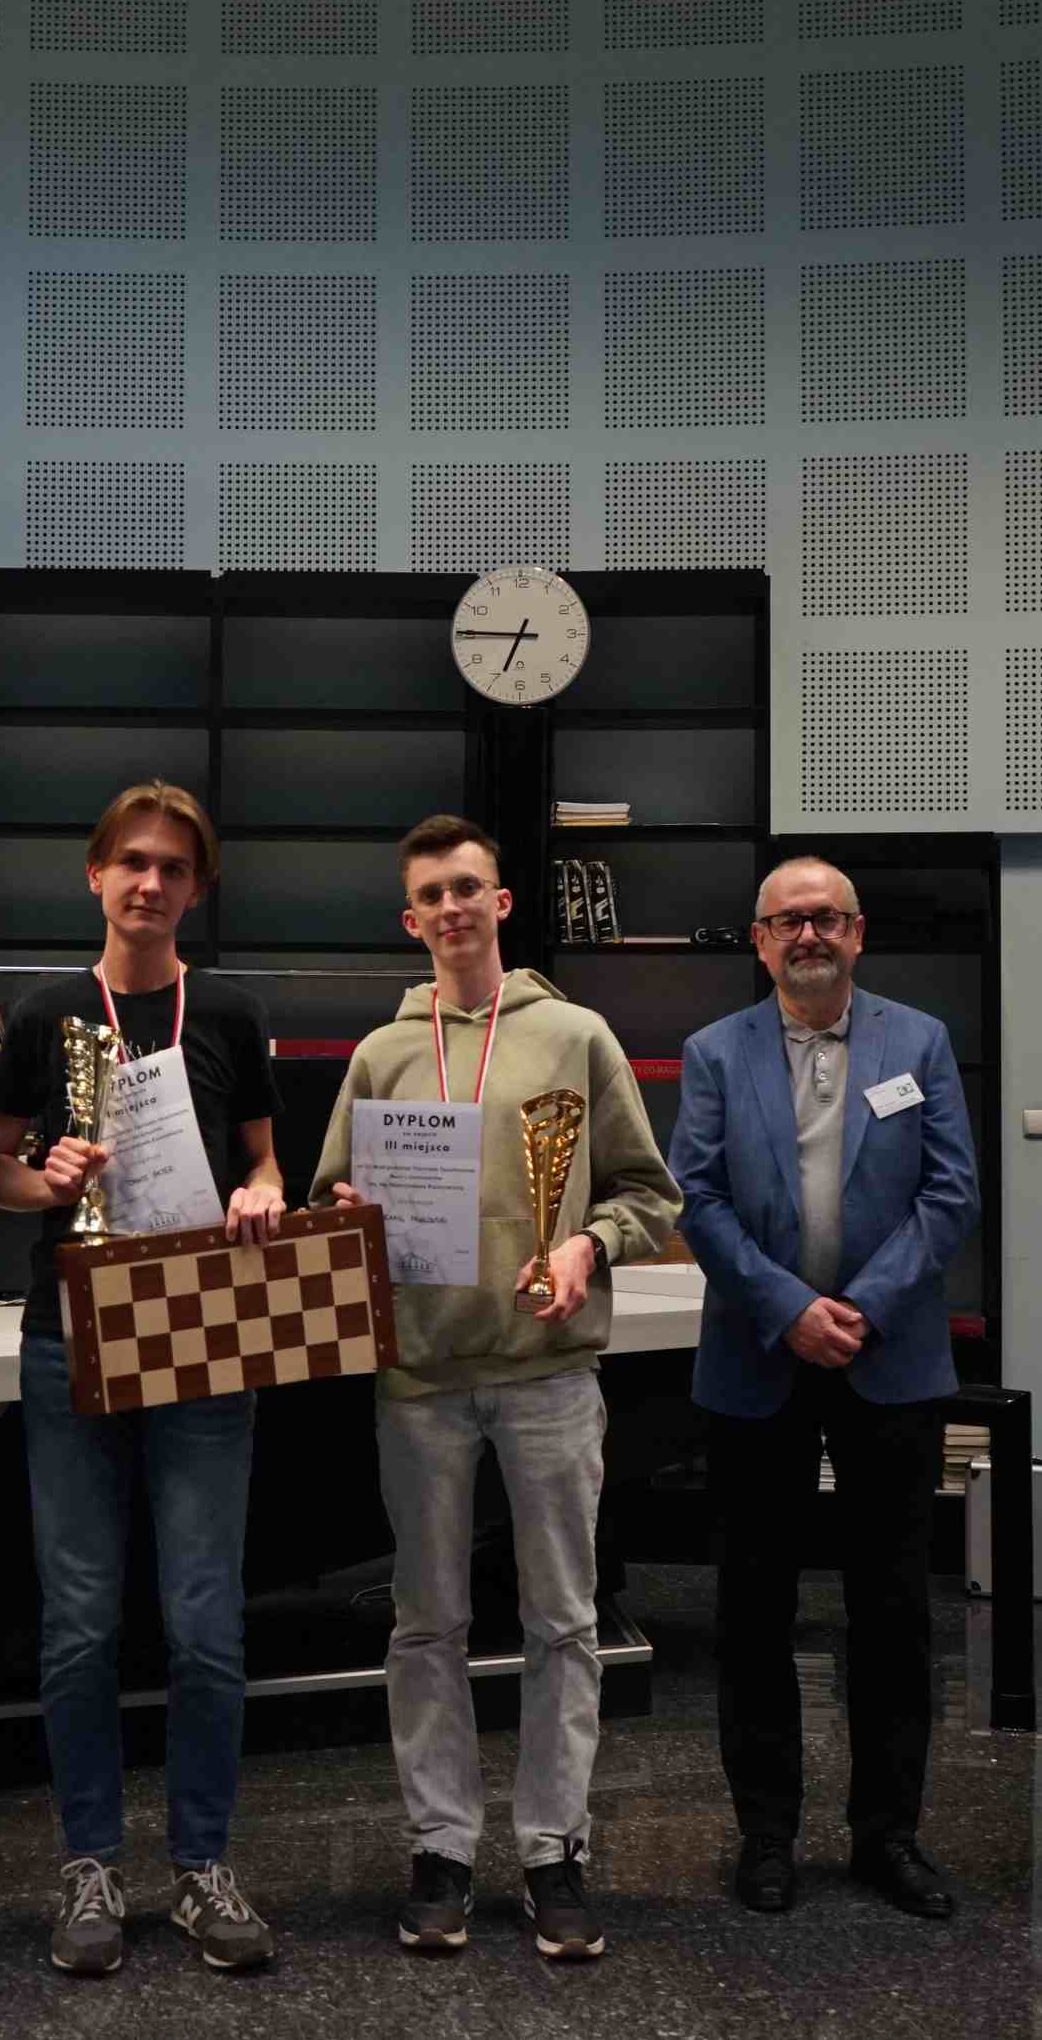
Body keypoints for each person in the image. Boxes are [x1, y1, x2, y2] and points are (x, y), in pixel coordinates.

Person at [309, 815, 677, 1960]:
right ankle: (441, 1846)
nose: (451, 906)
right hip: (419, 1378)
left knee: (562, 1617)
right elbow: (328, 1202)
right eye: (430, 893)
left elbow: (646, 1192)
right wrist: (344, 1216)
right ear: (409, 918)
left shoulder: (574, 1034)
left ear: (500, 902)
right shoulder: (380, 1054)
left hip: (548, 1372)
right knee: (425, 1621)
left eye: (467, 885)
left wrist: (585, 1246)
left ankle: (554, 1846)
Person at [0, 780, 287, 1976]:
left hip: (203, 1333)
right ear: (94, 875)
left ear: (194, 888)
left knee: (205, 1622)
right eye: (131, 862)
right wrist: (44, 1180)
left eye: (171, 867)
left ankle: (202, 1864)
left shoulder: (229, 1011)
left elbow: (264, 1161)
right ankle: (89, 1863)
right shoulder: (43, 1011)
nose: (149, 882)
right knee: (78, 1623)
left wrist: (260, 1193)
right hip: (70, 1336)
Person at [672, 855, 977, 1922]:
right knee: (752, 1609)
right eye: (785, 920)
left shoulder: (918, 1041)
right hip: (756, 1359)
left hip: (888, 1362)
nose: (807, 934)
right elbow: (697, 1197)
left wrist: (861, 1308)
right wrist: (789, 1308)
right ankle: (766, 1834)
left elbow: (950, 1192)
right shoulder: (714, 1051)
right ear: (759, 941)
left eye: (825, 918)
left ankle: (887, 1834)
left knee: (892, 1608)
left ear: (856, 932)